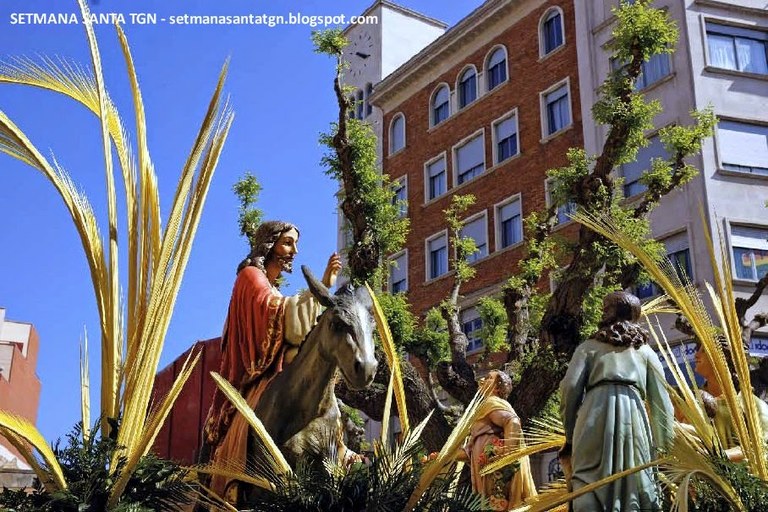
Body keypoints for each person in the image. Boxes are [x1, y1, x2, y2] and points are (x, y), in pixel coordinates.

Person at [202, 220, 341, 501]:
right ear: (269, 245)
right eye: (287, 243)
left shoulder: (270, 286)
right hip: (256, 373)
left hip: (276, 365)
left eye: (295, 244)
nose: (294, 251)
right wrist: (321, 288)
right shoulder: (250, 276)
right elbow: (279, 317)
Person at [559, 291, 674, 512]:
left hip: (593, 416)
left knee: (586, 481)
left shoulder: (588, 347)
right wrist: (664, 451)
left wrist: (571, 436)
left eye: (605, 309)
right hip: (634, 420)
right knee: (638, 480)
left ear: (610, 314)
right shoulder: (646, 353)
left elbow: (569, 389)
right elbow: (662, 404)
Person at [458, 370, 537, 511]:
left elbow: (512, 422)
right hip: (489, 471)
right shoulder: (486, 407)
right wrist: (442, 457)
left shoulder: (491, 403)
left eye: (488, 378)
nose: (482, 379)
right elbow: (470, 453)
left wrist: (507, 455)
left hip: (497, 473)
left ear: (497, 388)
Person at [693, 342, 768, 461]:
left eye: (704, 351)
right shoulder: (692, 400)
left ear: (724, 358)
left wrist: (719, 456)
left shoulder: (751, 404)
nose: (696, 355)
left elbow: (761, 447)